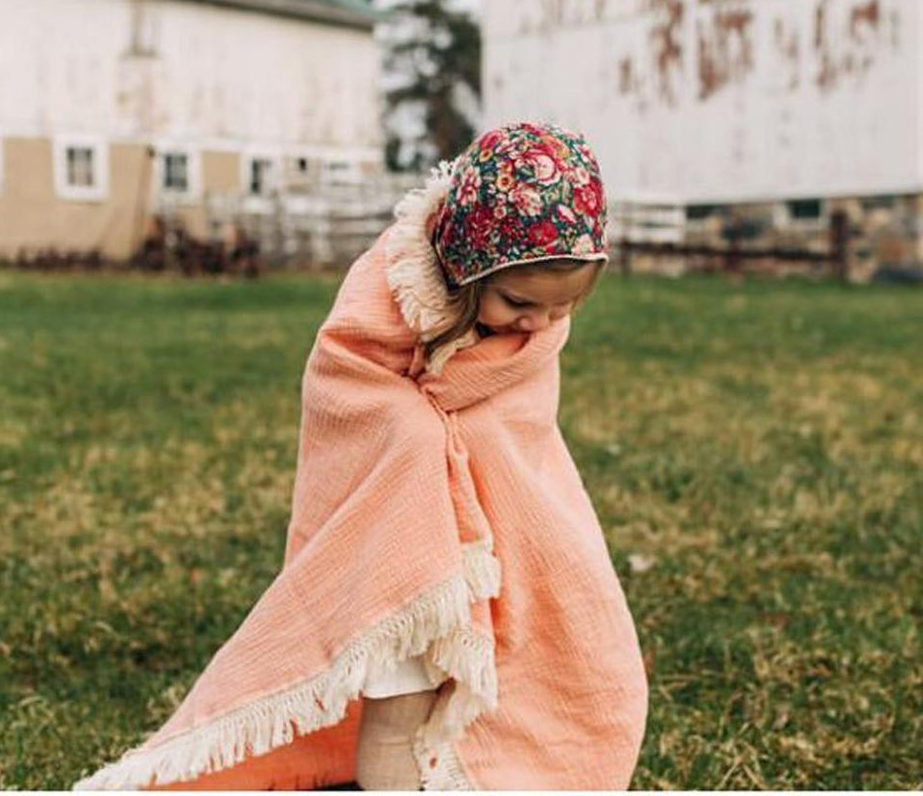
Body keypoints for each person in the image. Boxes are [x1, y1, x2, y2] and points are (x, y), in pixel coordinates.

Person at [73, 122, 648, 793]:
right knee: (401, 714)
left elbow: (520, 442)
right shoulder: (388, 295)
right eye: (518, 303)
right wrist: (423, 439)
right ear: (463, 268)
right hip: (398, 559)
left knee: (473, 712)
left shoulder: (531, 340)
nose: (537, 327)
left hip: (492, 570)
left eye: (563, 307)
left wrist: (465, 433)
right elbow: (343, 387)